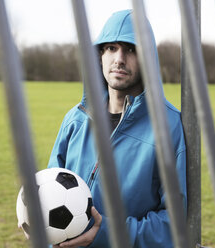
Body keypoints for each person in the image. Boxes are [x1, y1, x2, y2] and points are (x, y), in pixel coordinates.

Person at [48, 9, 187, 248]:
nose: (119, 59)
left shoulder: (170, 126)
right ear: (99, 55)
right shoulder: (75, 120)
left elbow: (172, 224)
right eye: (111, 48)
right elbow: (50, 189)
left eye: (131, 49)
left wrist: (103, 233)